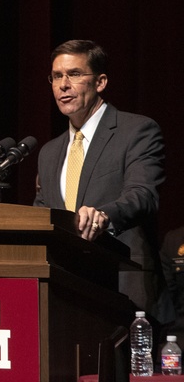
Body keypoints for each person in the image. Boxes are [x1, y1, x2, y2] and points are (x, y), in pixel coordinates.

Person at [33, 39, 169, 321]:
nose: (63, 85)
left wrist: (105, 215)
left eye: (74, 74)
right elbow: (42, 215)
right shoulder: (49, 152)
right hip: (64, 290)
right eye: (57, 76)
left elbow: (142, 194)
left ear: (101, 82)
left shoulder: (136, 130)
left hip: (124, 288)